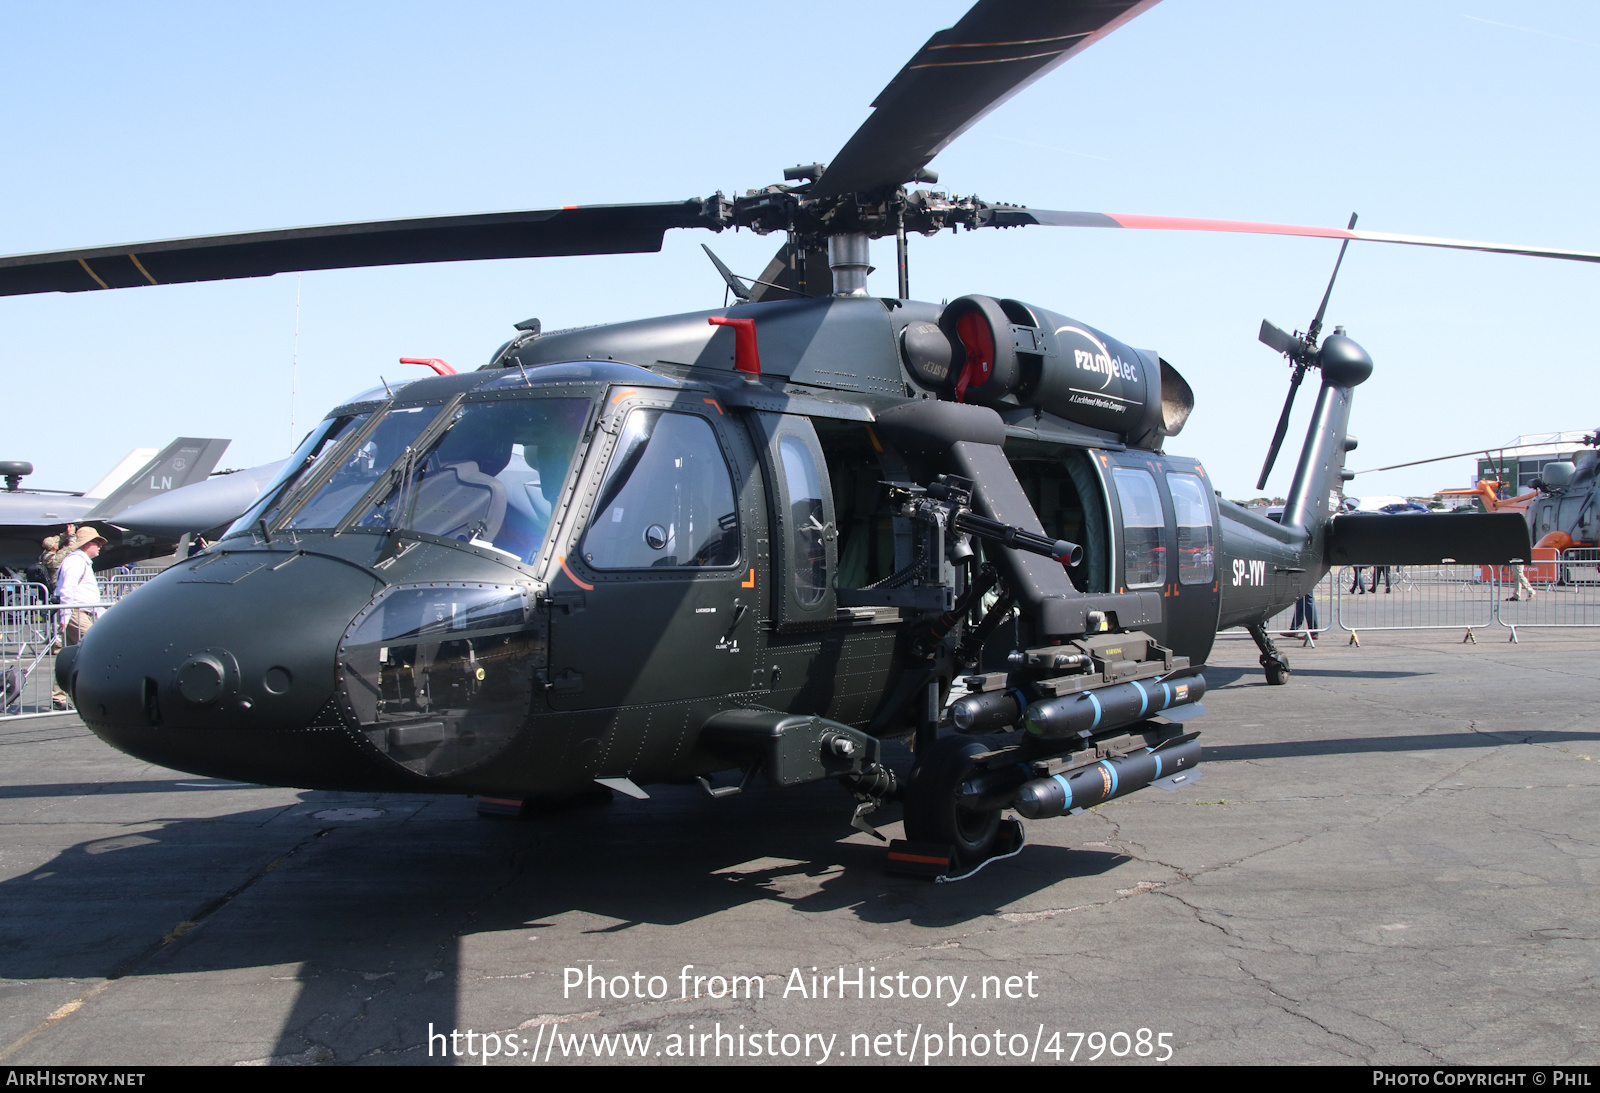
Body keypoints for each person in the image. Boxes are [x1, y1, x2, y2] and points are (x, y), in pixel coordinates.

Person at [50, 526, 107, 709]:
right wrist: (65, 617)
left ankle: (59, 696)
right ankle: (93, 693)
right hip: (76, 612)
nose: (99, 546)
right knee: (95, 649)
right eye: (97, 543)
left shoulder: (80, 561)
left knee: (71, 656)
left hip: (78, 611)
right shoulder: (75, 562)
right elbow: (68, 589)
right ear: (87, 544)